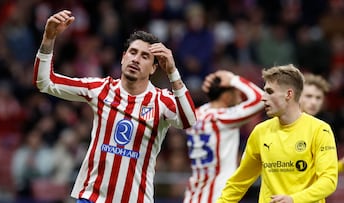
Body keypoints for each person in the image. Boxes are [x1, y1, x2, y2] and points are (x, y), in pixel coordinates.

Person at [32, 10, 196, 203]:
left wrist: (172, 72)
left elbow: (189, 120)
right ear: (123, 57)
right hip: (91, 198)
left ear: (153, 68)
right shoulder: (101, 89)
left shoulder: (161, 100)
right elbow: (45, 82)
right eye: (133, 53)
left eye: (145, 56)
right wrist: (48, 38)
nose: (136, 59)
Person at [216, 64, 338, 203]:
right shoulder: (260, 131)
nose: (263, 97)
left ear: (289, 94)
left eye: (269, 91)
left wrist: (294, 199)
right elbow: (239, 182)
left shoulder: (320, 130)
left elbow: (329, 181)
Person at [183, 70, 264, 203]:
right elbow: (261, 99)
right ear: (226, 96)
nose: (239, 96)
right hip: (218, 194)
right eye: (236, 92)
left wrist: (215, 84)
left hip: (194, 194)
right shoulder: (222, 118)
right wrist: (233, 78)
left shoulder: (196, 115)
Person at [298, 73, 344, 174]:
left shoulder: (325, 127)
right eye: (308, 96)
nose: (314, 102)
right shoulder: (282, 123)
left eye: (318, 98)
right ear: (297, 96)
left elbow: (323, 171)